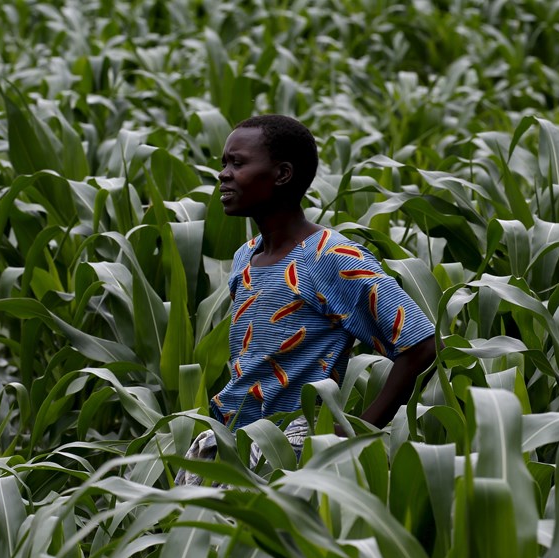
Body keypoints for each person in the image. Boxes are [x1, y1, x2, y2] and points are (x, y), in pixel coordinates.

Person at [175, 115, 437, 486]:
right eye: (224, 163)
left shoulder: (330, 257)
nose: (224, 174)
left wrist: (354, 435)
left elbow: (422, 346)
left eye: (238, 163)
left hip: (286, 452)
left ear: (282, 174)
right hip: (232, 437)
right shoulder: (244, 257)